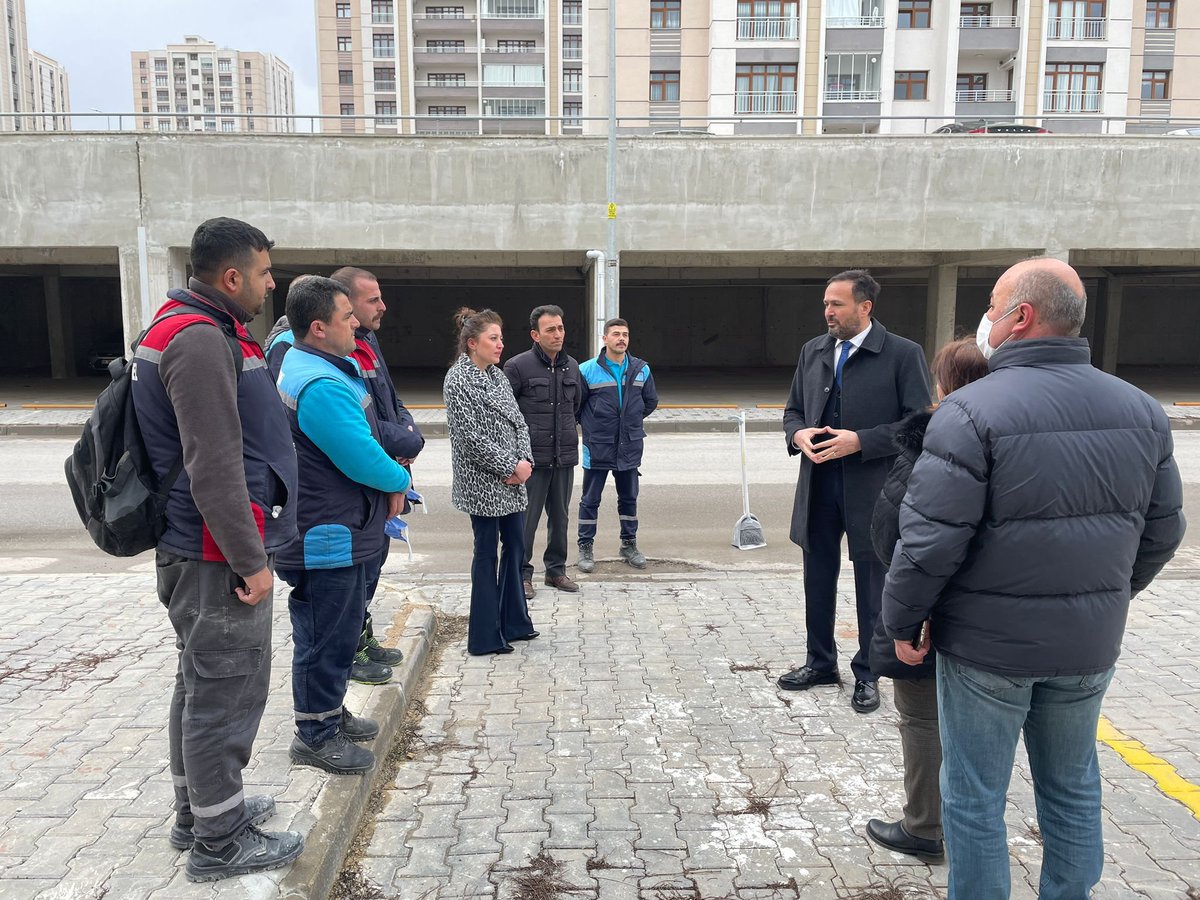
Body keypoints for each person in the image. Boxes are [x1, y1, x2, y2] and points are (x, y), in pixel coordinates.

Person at [882, 258, 1186, 899]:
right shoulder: (1142, 409)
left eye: (992, 308)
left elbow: (929, 542)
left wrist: (903, 622)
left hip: (986, 650)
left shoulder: (967, 411)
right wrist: (1104, 597)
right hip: (1085, 648)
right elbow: (1163, 532)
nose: (984, 322)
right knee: (1073, 790)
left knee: (972, 798)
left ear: (1020, 317)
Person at [130, 217, 303, 882]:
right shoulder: (200, 340)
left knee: (200, 684)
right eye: (263, 273)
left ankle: (199, 813)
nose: (271, 283)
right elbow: (214, 466)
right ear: (230, 277)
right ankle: (220, 842)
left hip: (204, 550)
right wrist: (251, 562)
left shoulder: (196, 327)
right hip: (215, 556)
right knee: (223, 694)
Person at [275, 277, 412, 776]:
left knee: (336, 632)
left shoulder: (319, 365)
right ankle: (314, 735)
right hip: (327, 532)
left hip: (339, 523)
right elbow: (359, 455)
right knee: (324, 637)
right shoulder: (320, 384)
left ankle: (330, 715)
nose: (356, 322)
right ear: (318, 328)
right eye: (345, 316)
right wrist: (399, 479)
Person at [779, 269, 931, 714]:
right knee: (817, 577)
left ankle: (869, 671)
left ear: (865, 307)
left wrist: (861, 440)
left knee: (873, 583)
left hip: (874, 489)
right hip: (818, 483)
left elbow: (919, 422)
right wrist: (798, 436)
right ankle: (820, 663)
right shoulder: (813, 351)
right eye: (826, 303)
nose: (828, 311)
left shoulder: (903, 354)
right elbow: (791, 410)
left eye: (837, 304)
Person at [862, 337, 989, 864]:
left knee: (921, 718)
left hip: (935, 614)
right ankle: (980, 823)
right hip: (997, 618)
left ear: (941, 385)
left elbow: (897, 539)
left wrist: (904, 621)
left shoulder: (931, 443)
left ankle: (925, 826)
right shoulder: (1016, 435)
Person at [332, 267, 425, 682]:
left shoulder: (367, 341)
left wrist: (408, 429)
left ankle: (360, 635)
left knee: (372, 567)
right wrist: (401, 441)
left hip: (385, 474)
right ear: (346, 303)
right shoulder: (335, 351)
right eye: (373, 300)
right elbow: (360, 424)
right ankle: (347, 649)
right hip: (365, 480)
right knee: (355, 574)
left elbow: (390, 399)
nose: (383, 306)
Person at [443, 307, 539, 655]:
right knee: (486, 554)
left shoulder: (497, 376)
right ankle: (484, 636)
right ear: (472, 343)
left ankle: (514, 621)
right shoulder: (458, 379)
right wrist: (508, 466)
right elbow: (469, 438)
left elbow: (519, 423)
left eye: (500, 338)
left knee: (515, 548)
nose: (500, 344)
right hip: (483, 483)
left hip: (514, 479)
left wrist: (525, 461)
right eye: (493, 338)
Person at [504, 304, 583, 600]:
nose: (558, 334)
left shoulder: (571, 366)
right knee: (527, 520)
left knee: (560, 518)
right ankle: (522, 574)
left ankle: (556, 571)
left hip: (563, 457)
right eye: (551, 329)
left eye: (560, 328)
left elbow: (577, 406)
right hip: (531, 460)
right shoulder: (517, 366)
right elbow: (506, 412)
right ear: (535, 334)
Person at [576, 318, 658, 572]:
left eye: (625, 334)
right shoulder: (587, 369)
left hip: (629, 445)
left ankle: (629, 544)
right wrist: (595, 427)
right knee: (590, 499)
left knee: (629, 498)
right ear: (605, 339)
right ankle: (585, 546)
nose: (621, 338)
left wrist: (628, 422)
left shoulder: (641, 369)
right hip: (598, 445)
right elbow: (577, 407)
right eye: (615, 334)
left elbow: (650, 402)